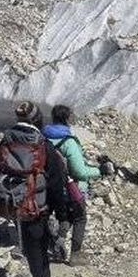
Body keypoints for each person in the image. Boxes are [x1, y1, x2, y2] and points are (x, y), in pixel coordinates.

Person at [0, 101, 69, 277]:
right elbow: (57, 182)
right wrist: (62, 214)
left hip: (14, 202)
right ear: (37, 119)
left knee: (31, 247)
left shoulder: (6, 140)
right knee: (39, 250)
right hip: (37, 207)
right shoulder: (42, 145)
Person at [43, 105, 113, 266]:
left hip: (48, 187)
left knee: (65, 216)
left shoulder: (43, 138)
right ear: (67, 119)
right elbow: (79, 171)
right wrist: (100, 171)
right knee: (80, 218)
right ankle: (75, 255)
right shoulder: (68, 142)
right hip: (69, 188)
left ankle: (57, 242)